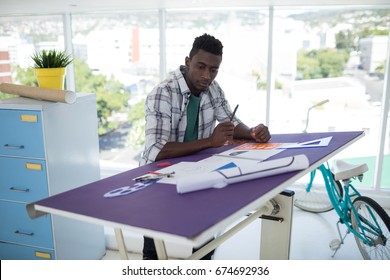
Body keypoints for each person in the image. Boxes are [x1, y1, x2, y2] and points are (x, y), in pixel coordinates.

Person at [140, 33, 271, 260]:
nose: (206, 75)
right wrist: (210, 142)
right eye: (201, 67)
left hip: (196, 172)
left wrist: (251, 133)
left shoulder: (213, 88)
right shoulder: (163, 92)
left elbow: (230, 121)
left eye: (213, 70)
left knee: (205, 241)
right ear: (188, 62)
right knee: (153, 250)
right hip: (158, 177)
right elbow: (156, 151)